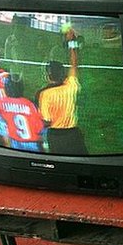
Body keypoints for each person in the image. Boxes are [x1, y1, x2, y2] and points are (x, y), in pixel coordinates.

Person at [36, 23, 87, 155]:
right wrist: (72, 43)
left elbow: (46, 121)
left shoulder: (45, 94)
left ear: (48, 75)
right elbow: (74, 63)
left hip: (56, 136)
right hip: (73, 134)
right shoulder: (71, 85)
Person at [0, 75, 45, 152]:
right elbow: (40, 127)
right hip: (32, 143)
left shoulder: (0, 103)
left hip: (14, 142)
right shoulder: (29, 104)